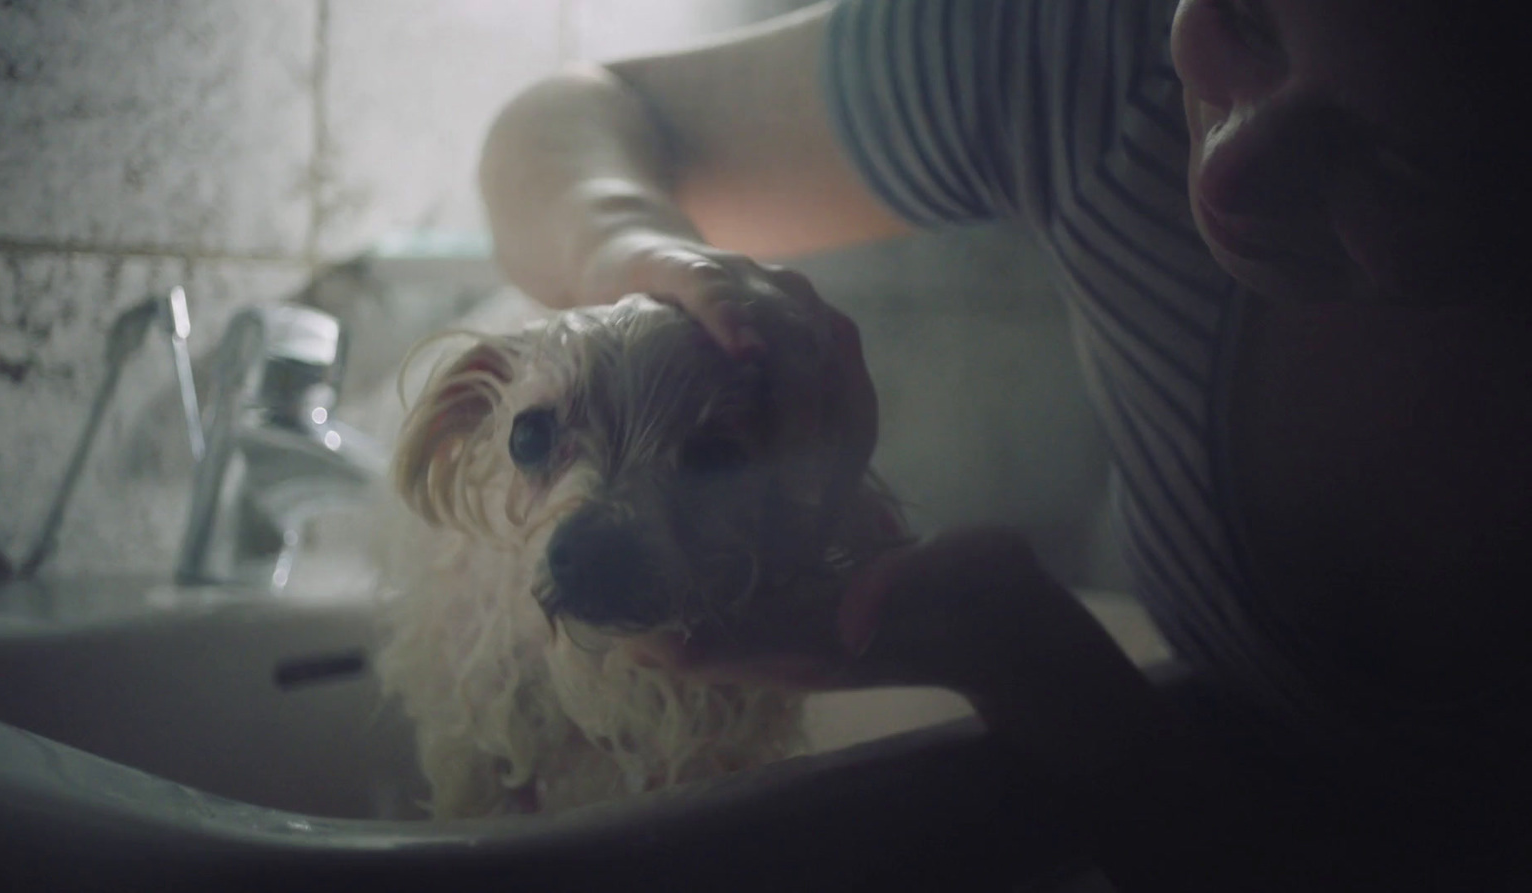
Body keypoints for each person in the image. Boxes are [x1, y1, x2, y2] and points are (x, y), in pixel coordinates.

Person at [476, 0, 1532, 887]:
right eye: (1244, 21)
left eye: (1398, 158)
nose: (1221, 174)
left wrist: (1038, 664)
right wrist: (642, 251)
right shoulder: (1088, 48)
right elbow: (569, 116)